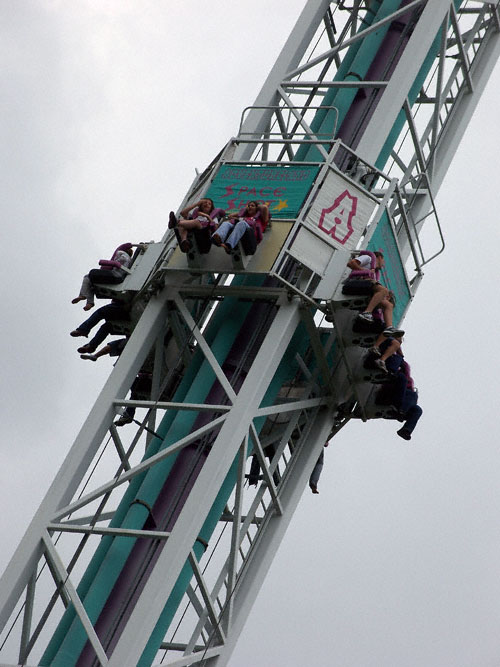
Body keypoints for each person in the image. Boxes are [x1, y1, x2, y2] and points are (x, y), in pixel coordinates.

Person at [343, 251, 404, 337]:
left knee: (388, 305)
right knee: (384, 291)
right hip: (354, 282)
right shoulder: (368, 258)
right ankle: (367, 312)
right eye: (383, 261)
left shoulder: (374, 273)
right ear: (379, 257)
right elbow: (351, 263)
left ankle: (389, 327)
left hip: (366, 287)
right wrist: (365, 271)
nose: (383, 264)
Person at [72, 242, 143, 311]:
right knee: (92, 284)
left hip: (116, 275)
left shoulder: (122, 254)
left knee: (89, 275)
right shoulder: (129, 259)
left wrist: (108, 264)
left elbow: (120, 256)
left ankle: (84, 297)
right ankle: (89, 302)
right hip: (117, 276)